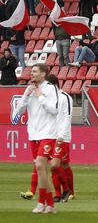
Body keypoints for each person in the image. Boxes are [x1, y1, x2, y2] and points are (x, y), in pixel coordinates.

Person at [16, 64, 59, 213]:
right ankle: (50, 204)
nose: (31, 74)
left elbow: (54, 110)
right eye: (31, 71)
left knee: (40, 165)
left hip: (47, 133)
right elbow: (19, 111)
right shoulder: (29, 89)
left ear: (43, 74)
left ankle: (41, 202)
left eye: (34, 71)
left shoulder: (50, 88)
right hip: (33, 134)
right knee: (41, 170)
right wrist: (27, 95)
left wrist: (39, 95)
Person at [46, 74, 73, 202]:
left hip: (62, 136)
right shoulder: (48, 99)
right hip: (49, 135)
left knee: (59, 164)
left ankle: (68, 191)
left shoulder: (65, 97)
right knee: (56, 165)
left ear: (54, 85)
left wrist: (61, 135)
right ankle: (58, 194)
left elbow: (67, 117)